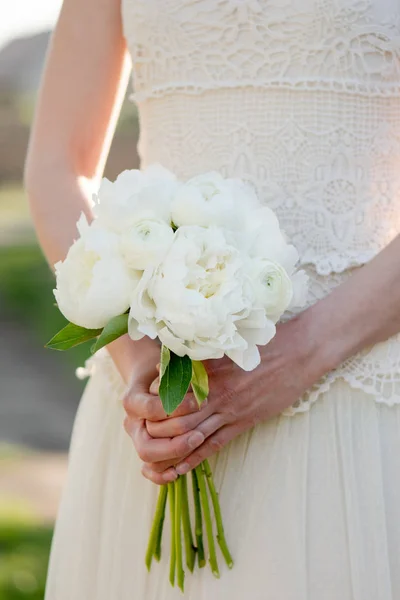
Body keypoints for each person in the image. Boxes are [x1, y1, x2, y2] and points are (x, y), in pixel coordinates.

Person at [25, 1, 400, 598]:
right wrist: (143, 362)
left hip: (353, 391)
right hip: (160, 408)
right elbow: (56, 165)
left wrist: (303, 351)